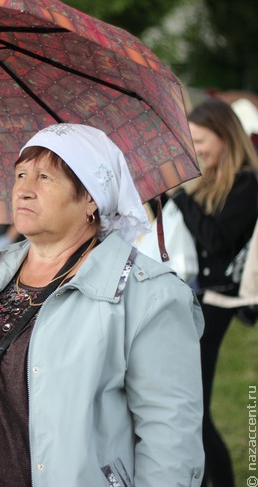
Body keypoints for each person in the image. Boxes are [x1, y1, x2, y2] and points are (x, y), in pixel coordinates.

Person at [0, 123, 205, 486]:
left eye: (44, 177)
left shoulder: (149, 295)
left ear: (91, 198)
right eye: (20, 175)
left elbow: (171, 442)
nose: (24, 189)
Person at [169, 98, 258, 487]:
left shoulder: (247, 183)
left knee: (195, 410)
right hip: (197, 297)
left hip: (220, 302)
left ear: (225, 137)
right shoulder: (212, 179)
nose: (197, 148)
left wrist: (182, 198)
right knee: (189, 407)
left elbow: (217, 241)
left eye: (201, 139)